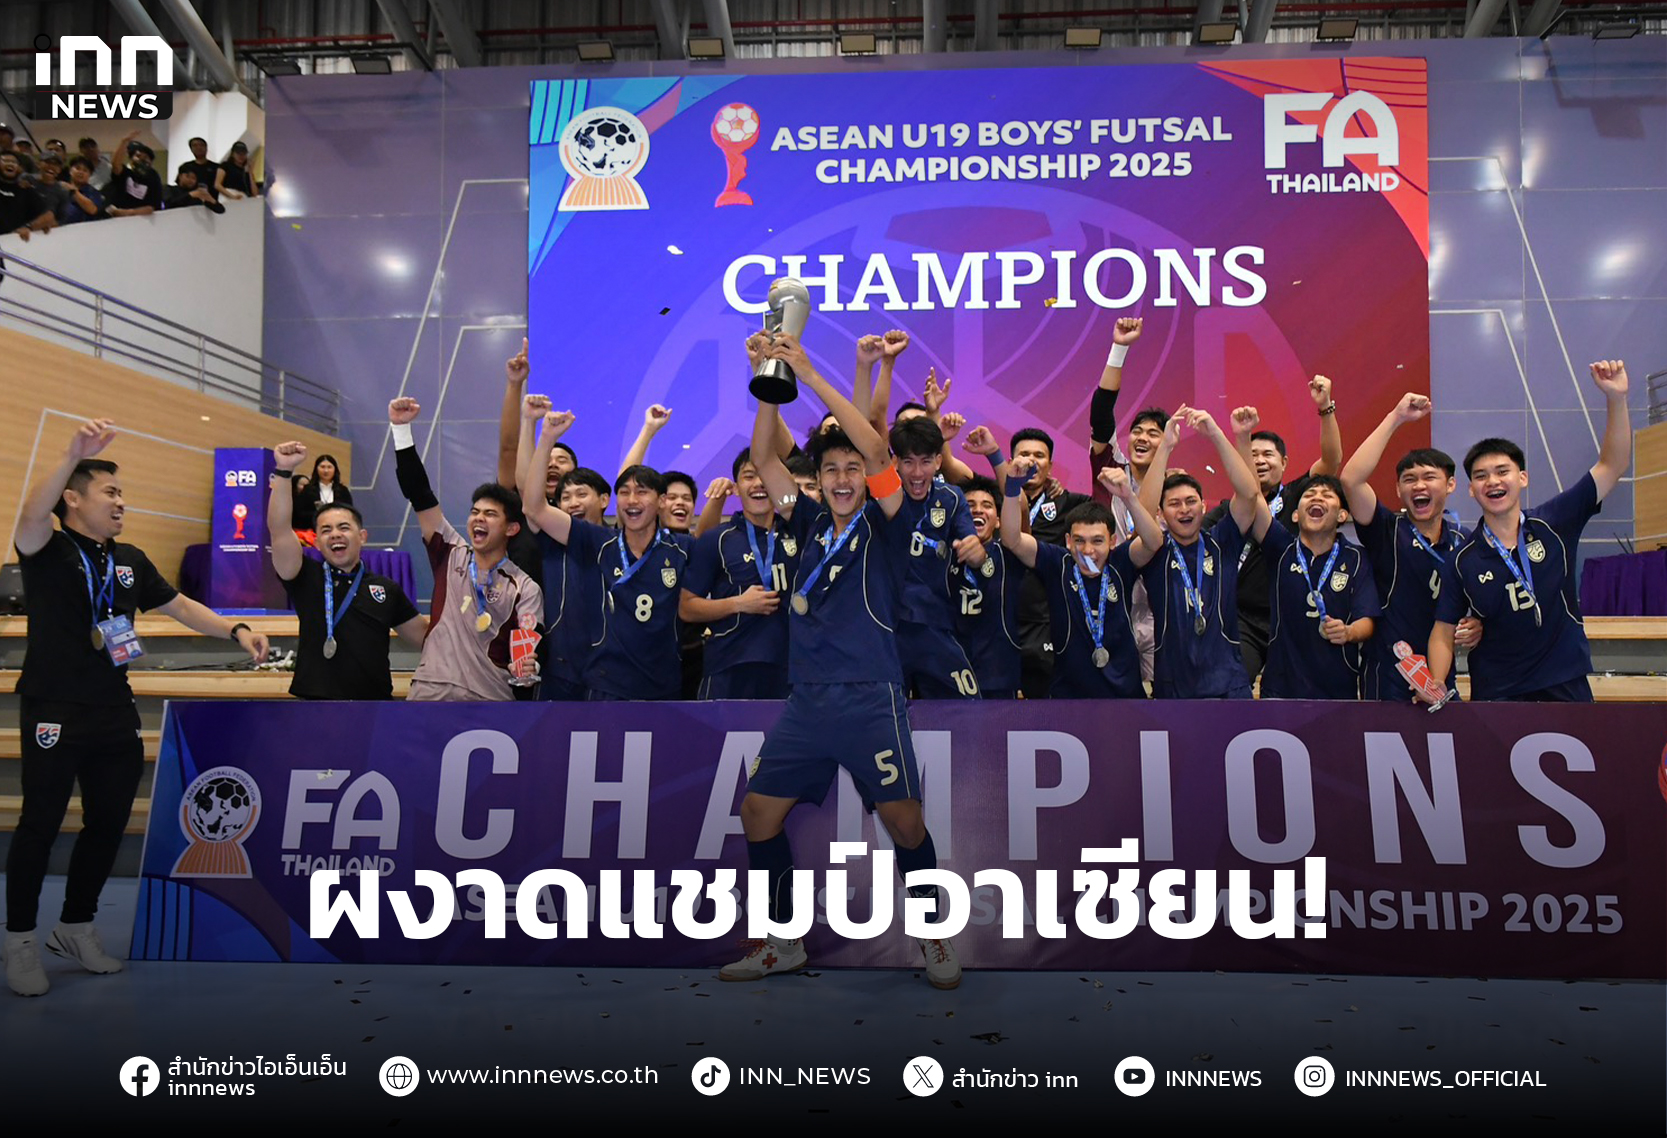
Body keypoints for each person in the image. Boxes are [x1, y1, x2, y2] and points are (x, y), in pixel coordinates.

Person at [720, 329, 959, 989]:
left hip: (870, 696)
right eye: (831, 470)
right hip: (807, 700)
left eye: (852, 469)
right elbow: (763, 457)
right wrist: (768, 377)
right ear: (818, 481)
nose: (844, 478)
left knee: (904, 823)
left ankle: (933, 933)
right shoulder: (801, 521)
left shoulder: (888, 521)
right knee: (758, 813)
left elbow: (877, 448)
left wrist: (808, 371)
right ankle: (783, 941)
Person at [5, 419, 268, 997]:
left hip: (112, 710)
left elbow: (181, 606)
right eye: (110, 492)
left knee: (107, 824)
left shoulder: (128, 559)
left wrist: (236, 629)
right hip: (54, 708)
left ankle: (76, 925)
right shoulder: (46, 548)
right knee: (40, 824)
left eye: (122, 492)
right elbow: (30, 512)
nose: (121, 502)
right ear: (74, 499)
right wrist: (71, 452)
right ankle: (20, 940)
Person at [1425, 360, 1633, 703]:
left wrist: (1617, 398)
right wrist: (1435, 683)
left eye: (1502, 471)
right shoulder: (1462, 559)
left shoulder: (1555, 522)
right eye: (1481, 476)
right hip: (1497, 692)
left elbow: (1613, 464)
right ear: (1471, 490)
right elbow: (1443, 630)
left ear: (1522, 478)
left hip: (1564, 679)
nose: (1492, 481)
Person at [521, 412, 694, 701]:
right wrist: (547, 438)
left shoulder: (682, 548)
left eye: (642, 492)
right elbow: (534, 508)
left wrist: (648, 430)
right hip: (606, 686)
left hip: (664, 686)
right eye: (624, 493)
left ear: (661, 501)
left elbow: (631, 478)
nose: (632, 499)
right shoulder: (599, 542)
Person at [390, 397, 544, 701]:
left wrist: (529, 667)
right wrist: (401, 430)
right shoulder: (450, 551)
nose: (478, 519)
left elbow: (527, 648)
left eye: (490, 514)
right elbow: (419, 494)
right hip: (429, 694)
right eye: (475, 512)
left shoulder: (524, 588)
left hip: (488, 700)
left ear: (512, 528)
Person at [1340, 392, 1480, 701]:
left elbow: (1482, 599)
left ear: (1451, 484)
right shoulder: (1386, 529)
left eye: (1429, 477)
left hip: (1442, 674)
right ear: (1397, 489)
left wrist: (1477, 623)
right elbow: (1351, 480)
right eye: (1409, 479)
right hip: (1389, 673)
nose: (1419, 485)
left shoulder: (1465, 541)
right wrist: (1396, 417)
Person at [267, 441, 425, 699]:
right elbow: (279, 529)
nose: (335, 535)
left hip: (374, 707)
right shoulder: (304, 576)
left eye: (343, 527)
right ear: (317, 543)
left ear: (362, 536)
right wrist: (284, 472)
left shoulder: (386, 589)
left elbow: (426, 640)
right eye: (326, 530)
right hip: (315, 704)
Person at [998, 455, 1163, 699]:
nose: (1088, 551)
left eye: (1097, 541)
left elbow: (1154, 541)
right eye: (1079, 541)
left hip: (1124, 694)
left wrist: (1128, 496)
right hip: (1069, 696)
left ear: (1112, 541)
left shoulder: (1121, 562)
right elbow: (1012, 539)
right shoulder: (1057, 563)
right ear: (1067, 541)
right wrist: (1012, 487)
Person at [1136, 407, 1264, 699]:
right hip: (1173, 687)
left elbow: (1248, 494)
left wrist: (1216, 434)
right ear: (1160, 514)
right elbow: (1141, 510)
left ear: (1204, 506)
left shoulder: (1223, 542)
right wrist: (1165, 447)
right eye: (1174, 504)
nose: (1184, 510)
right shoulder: (1154, 551)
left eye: (1191, 501)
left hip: (1228, 684)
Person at [681, 446, 798, 699]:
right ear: (735, 488)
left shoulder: (800, 534)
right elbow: (686, 607)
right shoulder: (717, 539)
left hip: (789, 668)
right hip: (728, 666)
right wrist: (739, 604)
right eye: (749, 476)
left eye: (765, 475)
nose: (759, 483)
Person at [1253, 476, 1380, 699]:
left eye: (1327, 495)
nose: (1317, 498)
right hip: (1280, 687)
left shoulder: (1356, 558)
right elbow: (1252, 496)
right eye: (1309, 495)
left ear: (1342, 515)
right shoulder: (1281, 549)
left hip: (1337, 689)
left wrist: (1349, 632)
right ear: (1295, 515)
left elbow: (1367, 619)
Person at [887, 413, 986, 698]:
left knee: (970, 706)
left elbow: (975, 552)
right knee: (882, 711)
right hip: (888, 626)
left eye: (926, 461)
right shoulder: (882, 498)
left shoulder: (951, 498)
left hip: (935, 624)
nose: (917, 473)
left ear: (939, 461)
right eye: (908, 462)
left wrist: (976, 552)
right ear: (895, 463)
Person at [946, 471, 1027, 699]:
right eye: (969, 505)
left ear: (999, 520)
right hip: (948, 673)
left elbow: (1021, 510)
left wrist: (997, 459)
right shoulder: (942, 554)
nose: (978, 510)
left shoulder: (1009, 553)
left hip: (998, 675)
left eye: (987, 505)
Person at [291, 452, 353, 535]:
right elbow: (300, 513)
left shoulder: (343, 490)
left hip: (338, 531)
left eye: (329, 467)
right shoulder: (308, 490)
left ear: (335, 470)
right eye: (322, 467)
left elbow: (349, 512)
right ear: (316, 469)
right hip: (314, 532)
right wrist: (318, 513)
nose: (326, 470)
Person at [104, 133, 165, 218]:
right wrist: (124, 142)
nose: (142, 159)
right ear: (131, 159)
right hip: (118, 219)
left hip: (143, 219)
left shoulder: (153, 177)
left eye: (146, 157)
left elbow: (152, 207)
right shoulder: (126, 173)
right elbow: (116, 165)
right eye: (138, 156)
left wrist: (129, 212)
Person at [0, 152, 52, 241]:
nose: (10, 164)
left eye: (14, 162)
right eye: (6, 161)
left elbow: (48, 216)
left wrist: (29, 227)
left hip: (16, 244)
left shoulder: (25, 189)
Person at [57, 157, 105, 225]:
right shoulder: (59, 188)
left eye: (85, 170)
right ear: (70, 170)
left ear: (90, 175)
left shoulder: (93, 192)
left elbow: (92, 210)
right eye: (77, 168)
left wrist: (73, 191)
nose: (81, 172)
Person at [31, 156, 71, 224]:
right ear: (38, 164)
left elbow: (62, 219)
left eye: (56, 165)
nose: (51, 166)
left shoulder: (62, 191)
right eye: (48, 162)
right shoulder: (27, 180)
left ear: (59, 170)